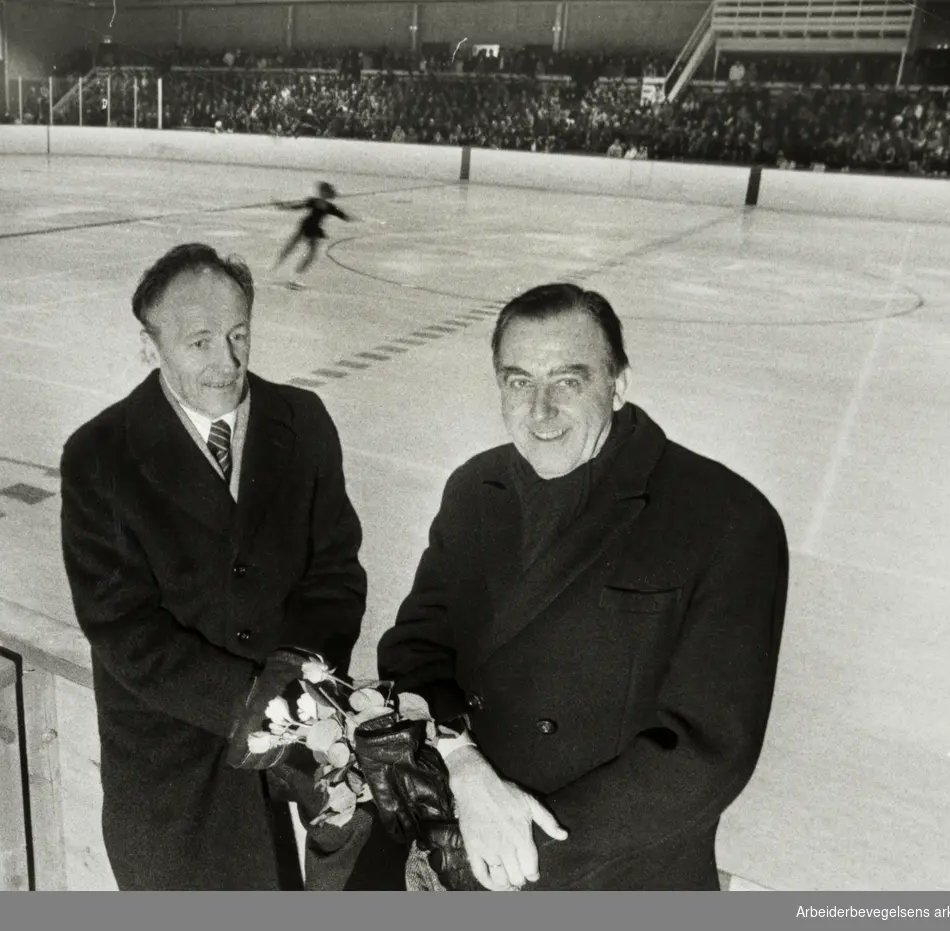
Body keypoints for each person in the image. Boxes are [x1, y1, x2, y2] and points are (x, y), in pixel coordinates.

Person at [377, 282, 790, 891]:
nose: (539, 411)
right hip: (470, 844)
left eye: (567, 382)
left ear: (618, 384)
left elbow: (705, 752)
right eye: (519, 382)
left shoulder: (725, 517)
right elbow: (415, 652)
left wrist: (521, 845)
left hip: (609, 877)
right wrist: (461, 768)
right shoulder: (474, 490)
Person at [59, 242, 407, 890]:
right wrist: (246, 700)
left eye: (238, 334)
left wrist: (296, 666)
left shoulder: (302, 422)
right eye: (199, 343)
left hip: (302, 723)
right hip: (175, 764)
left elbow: (334, 571)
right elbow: (122, 628)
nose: (227, 361)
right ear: (149, 345)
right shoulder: (97, 456)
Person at [271, 181, 355, 289]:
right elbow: (297, 206)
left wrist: (282, 205)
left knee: (302, 251)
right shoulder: (321, 204)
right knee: (301, 251)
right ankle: (285, 272)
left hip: (310, 228)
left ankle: (286, 272)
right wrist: (282, 205)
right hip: (309, 228)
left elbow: (343, 215)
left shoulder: (322, 204)